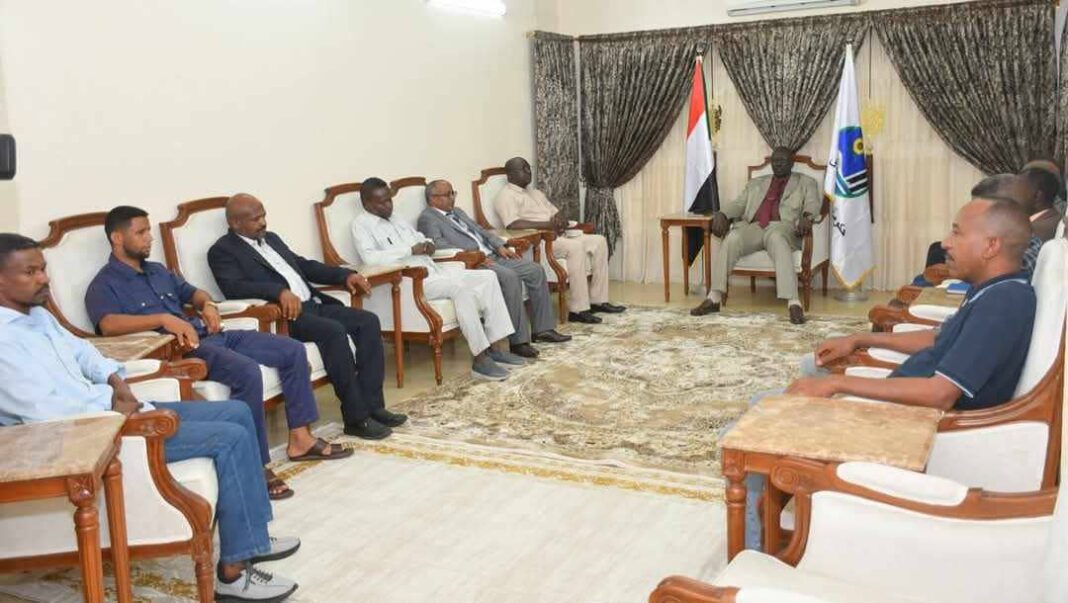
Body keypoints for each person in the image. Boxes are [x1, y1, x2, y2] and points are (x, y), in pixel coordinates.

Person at [0, 233, 300, 601]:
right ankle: (233, 575)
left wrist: (116, 382)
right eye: (30, 272)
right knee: (230, 438)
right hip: (95, 438)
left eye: (43, 269)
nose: (43, 278)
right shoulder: (4, 341)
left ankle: (252, 537)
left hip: (118, 411)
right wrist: (113, 406)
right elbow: (46, 413)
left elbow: (86, 354)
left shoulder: (38, 317)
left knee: (236, 412)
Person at [743, 193, 1036, 551]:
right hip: (904, 412)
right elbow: (935, 338)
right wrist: (858, 339)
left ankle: (756, 552)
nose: (945, 242)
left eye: (957, 232)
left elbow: (939, 393)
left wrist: (837, 385)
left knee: (759, 415)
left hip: (910, 427)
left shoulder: (1002, 304)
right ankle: (768, 536)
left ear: (991, 246)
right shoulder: (994, 290)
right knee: (779, 397)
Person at [86, 206, 352, 500]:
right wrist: (162, 319)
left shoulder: (157, 271)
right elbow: (108, 325)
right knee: (246, 371)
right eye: (141, 232)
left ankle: (301, 439)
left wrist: (208, 305)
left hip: (211, 334)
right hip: (180, 350)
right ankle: (255, 465)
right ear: (117, 238)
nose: (149, 238)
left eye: (149, 231)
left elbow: (195, 293)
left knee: (291, 350)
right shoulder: (104, 284)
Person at [208, 193, 406, 440]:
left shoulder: (271, 239)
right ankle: (356, 418)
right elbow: (234, 287)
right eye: (255, 219)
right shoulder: (222, 251)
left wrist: (345, 275)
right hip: (285, 316)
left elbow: (303, 265)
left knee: (368, 322)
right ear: (235, 223)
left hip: (313, 304)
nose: (263, 222)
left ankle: (374, 407)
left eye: (263, 216)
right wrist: (278, 292)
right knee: (333, 331)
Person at [351, 177, 522, 381]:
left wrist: (428, 244)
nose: (388, 205)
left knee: (488, 277)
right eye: (381, 202)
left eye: (389, 199)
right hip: (411, 281)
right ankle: (480, 358)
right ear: (366, 203)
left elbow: (418, 237)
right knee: (461, 289)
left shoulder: (395, 218)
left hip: (434, 269)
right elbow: (370, 258)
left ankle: (496, 348)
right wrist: (409, 250)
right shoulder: (361, 225)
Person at [417, 179, 571, 358]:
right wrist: (474, 256)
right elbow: (438, 245)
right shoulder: (428, 218)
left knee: (535, 270)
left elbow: (481, 231)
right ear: (433, 199)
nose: (453, 198)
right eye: (448, 194)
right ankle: (519, 342)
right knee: (510, 277)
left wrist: (499, 246)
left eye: (453, 193)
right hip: (473, 262)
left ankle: (543, 330)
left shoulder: (457, 212)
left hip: (493, 255)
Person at [692, 147, 821, 324]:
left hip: (783, 227)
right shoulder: (757, 183)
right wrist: (722, 214)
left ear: (792, 163)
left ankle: (793, 303)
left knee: (777, 239)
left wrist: (807, 217)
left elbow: (813, 204)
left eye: (782, 161)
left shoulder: (806, 182)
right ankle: (713, 298)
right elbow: (739, 204)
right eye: (775, 161)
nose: (778, 164)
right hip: (756, 226)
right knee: (732, 238)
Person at [493, 157, 625, 324]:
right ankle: (578, 310)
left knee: (599, 241)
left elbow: (554, 212)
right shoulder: (505, 196)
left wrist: (560, 220)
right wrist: (547, 225)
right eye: (523, 169)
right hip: (540, 240)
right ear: (511, 174)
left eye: (528, 168)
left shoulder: (535, 192)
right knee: (575, 247)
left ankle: (598, 301)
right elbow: (512, 224)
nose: (528, 171)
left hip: (559, 234)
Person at [1018, 162, 1066, 243]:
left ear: (1038, 196)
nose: (1014, 194)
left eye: (1019, 189)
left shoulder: (1027, 233)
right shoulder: (1059, 221)